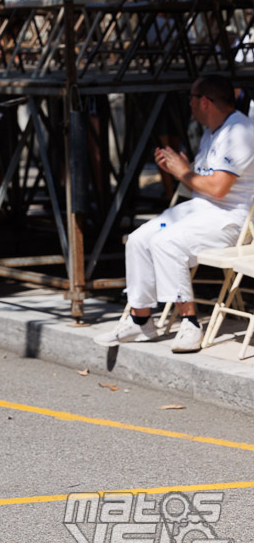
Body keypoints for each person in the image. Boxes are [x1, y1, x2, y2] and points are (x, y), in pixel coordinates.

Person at [95, 75, 254, 353]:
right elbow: (204, 179)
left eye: (191, 99)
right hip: (200, 209)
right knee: (138, 239)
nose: (189, 105)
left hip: (229, 218)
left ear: (204, 101)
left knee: (166, 242)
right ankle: (140, 319)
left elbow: (218, 188)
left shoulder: (240, 132)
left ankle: (190, 322)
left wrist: (183, 172)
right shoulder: (213, 130)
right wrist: (177, 167)